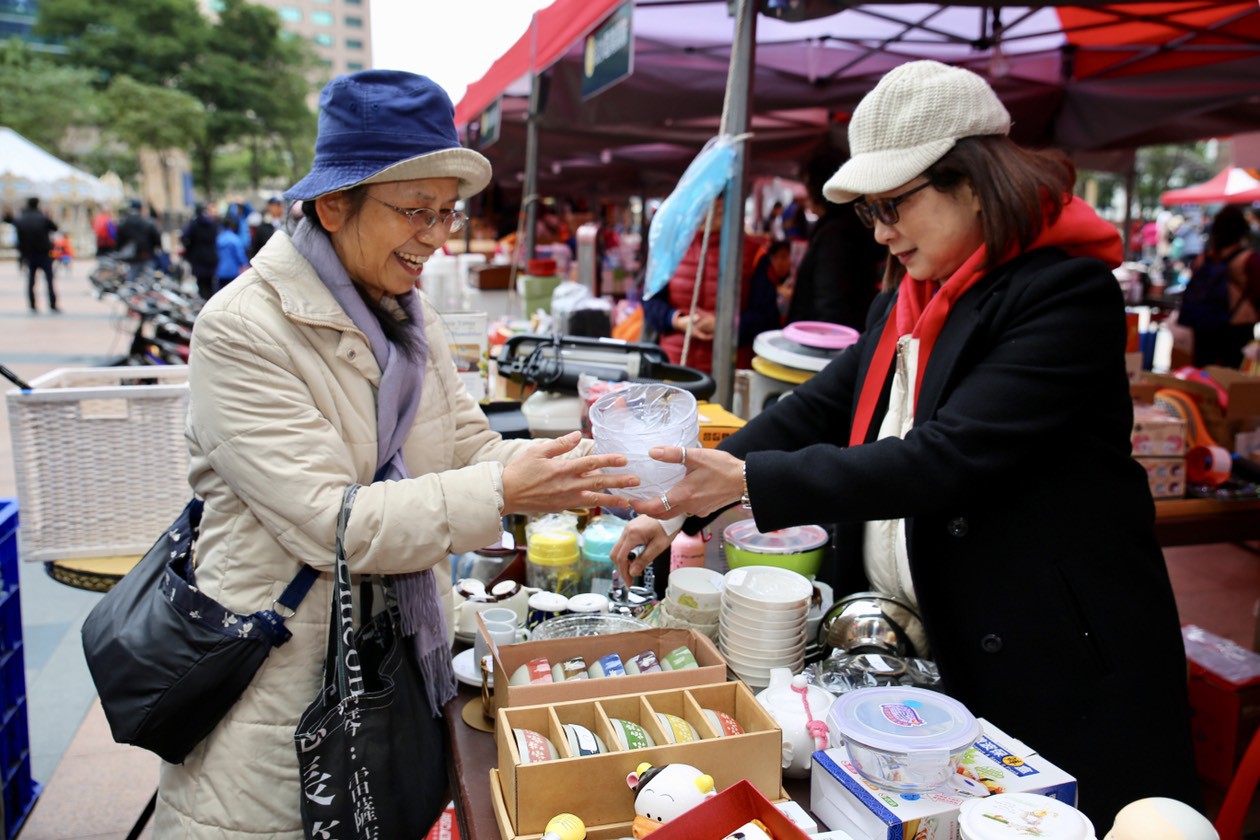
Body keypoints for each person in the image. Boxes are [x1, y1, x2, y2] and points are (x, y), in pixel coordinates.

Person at [610, 60, 1203, 831]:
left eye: (894, 205)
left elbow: (947, 459)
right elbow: (820, 407)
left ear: (976, 181)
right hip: (943, 643)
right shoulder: (909, 299)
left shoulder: (1064, 295)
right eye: (868, 213)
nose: (882, 231)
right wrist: (680, 501)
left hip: (1052, 649)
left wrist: (746, 482)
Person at [154, 69, 638, 837]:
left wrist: (568, 466)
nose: (437, 236)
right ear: (333, 203)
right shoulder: (242, 329)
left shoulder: (408, 317)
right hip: (284, 688)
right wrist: (506, 491)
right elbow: (331, 526)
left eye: (447, 212)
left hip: (389, 664)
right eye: (416, 211)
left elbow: (465, 443)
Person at [641, 194, 765, 373]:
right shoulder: (670, 248)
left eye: (723, 199)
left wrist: (724, 325)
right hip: (675, 364)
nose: (716, 206)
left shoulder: (754, 254)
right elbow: (649, 302)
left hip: (731, 371)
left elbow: (766, 317)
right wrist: (678, 321)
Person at [785, 150, 886, 329]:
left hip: (823, 342)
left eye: (808, 184)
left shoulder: (836, 235)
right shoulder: (841, 227)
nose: (806, 193)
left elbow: (832, 307)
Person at [1182, 205, 1260, 368]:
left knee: (1203, 373)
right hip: (1237, 325)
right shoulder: (1248, 259)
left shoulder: (1203, 258)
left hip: (1203, 324)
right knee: (1231, 377)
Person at [10, 197, 59, 313]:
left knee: (31, 280)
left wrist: (22, 253)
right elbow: (55, 228)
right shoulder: (43, 218)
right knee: (49, 280)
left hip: (29, 254)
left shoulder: (21, 219)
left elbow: (18, 237)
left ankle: (32, 305)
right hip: (44, 253)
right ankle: (52, 304)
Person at [115, 199, 164, 280]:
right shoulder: (147, 221)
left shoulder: (123, 222)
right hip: (146, 256)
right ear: (141, 208)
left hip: (131, 259)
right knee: (148, 280)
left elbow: (119, 241)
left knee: (132, 281)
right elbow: (157, 239)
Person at [180, 203, 219, 300]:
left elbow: (184, 238)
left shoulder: (193, 224)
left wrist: (189, 247)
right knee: (211, 283)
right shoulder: (213, 223)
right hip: (211, 257)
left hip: (198, 258)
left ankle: (203, 302)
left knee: (201, 284)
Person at [213, 215, 248, 294]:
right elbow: (240, 255)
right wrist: (245, 264)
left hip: (219, 271)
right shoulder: (235, 239)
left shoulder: (218, 238)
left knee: (220, 294)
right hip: (232, 271)